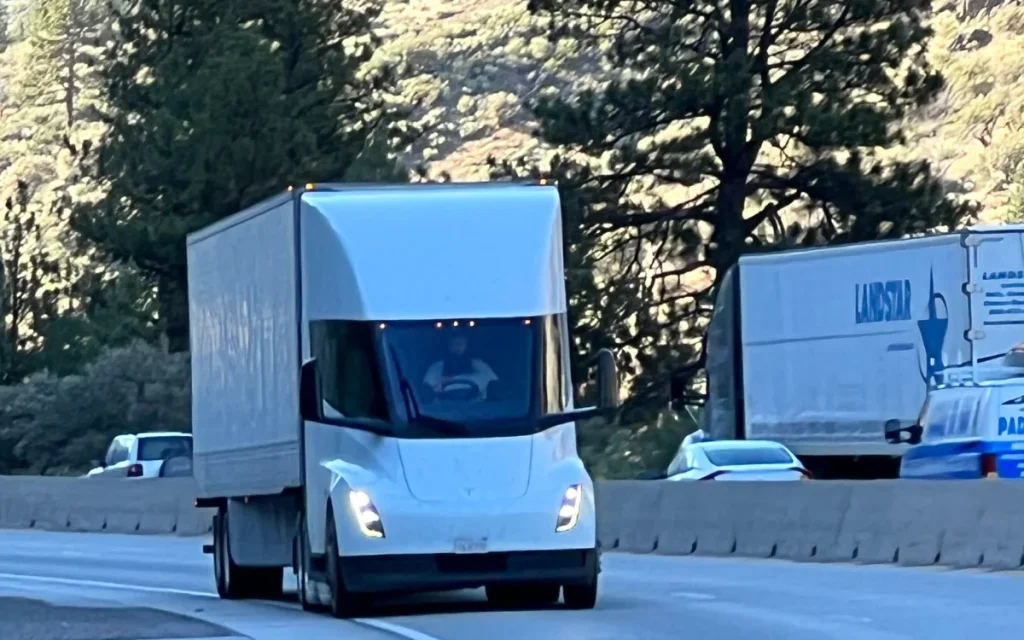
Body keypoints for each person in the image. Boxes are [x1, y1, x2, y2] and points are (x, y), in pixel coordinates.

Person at [423, 334, 497, 398]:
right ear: (448, 347)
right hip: (443, 409)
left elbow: (489, 381)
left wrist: (453, 379)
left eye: (459, 344)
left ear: (467, 346)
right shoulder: (436, 367)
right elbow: (429, 388)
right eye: (452, 344)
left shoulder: (479, 364)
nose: (456, 347)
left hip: (478, 407)